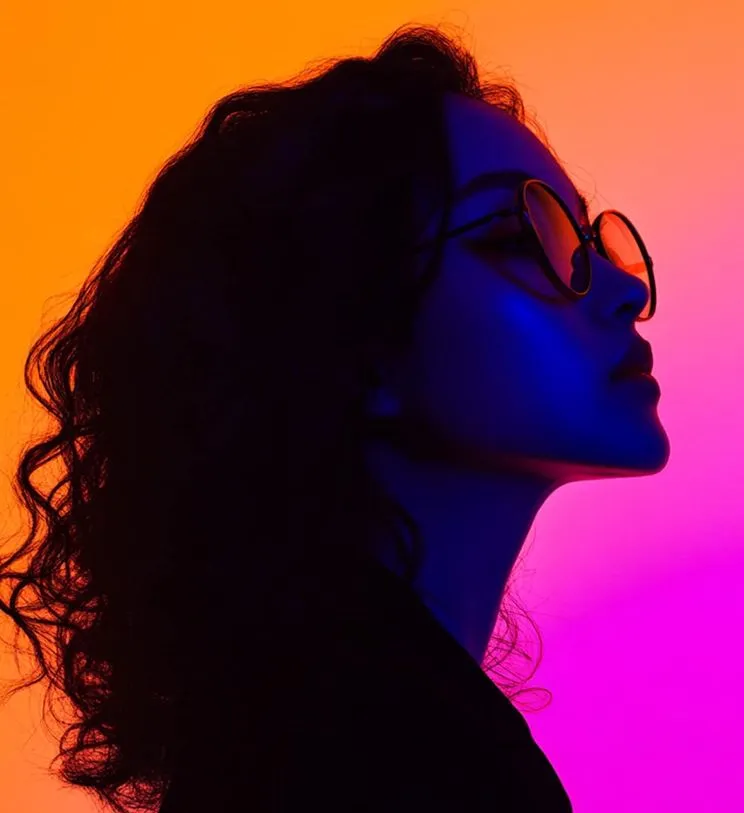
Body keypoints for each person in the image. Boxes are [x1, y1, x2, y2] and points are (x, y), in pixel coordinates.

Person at [0, 21, 669, 813]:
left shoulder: (321, 717)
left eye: (586, 238)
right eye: (522, 238)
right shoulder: (388, 758)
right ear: (348, 333)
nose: (624, 289)